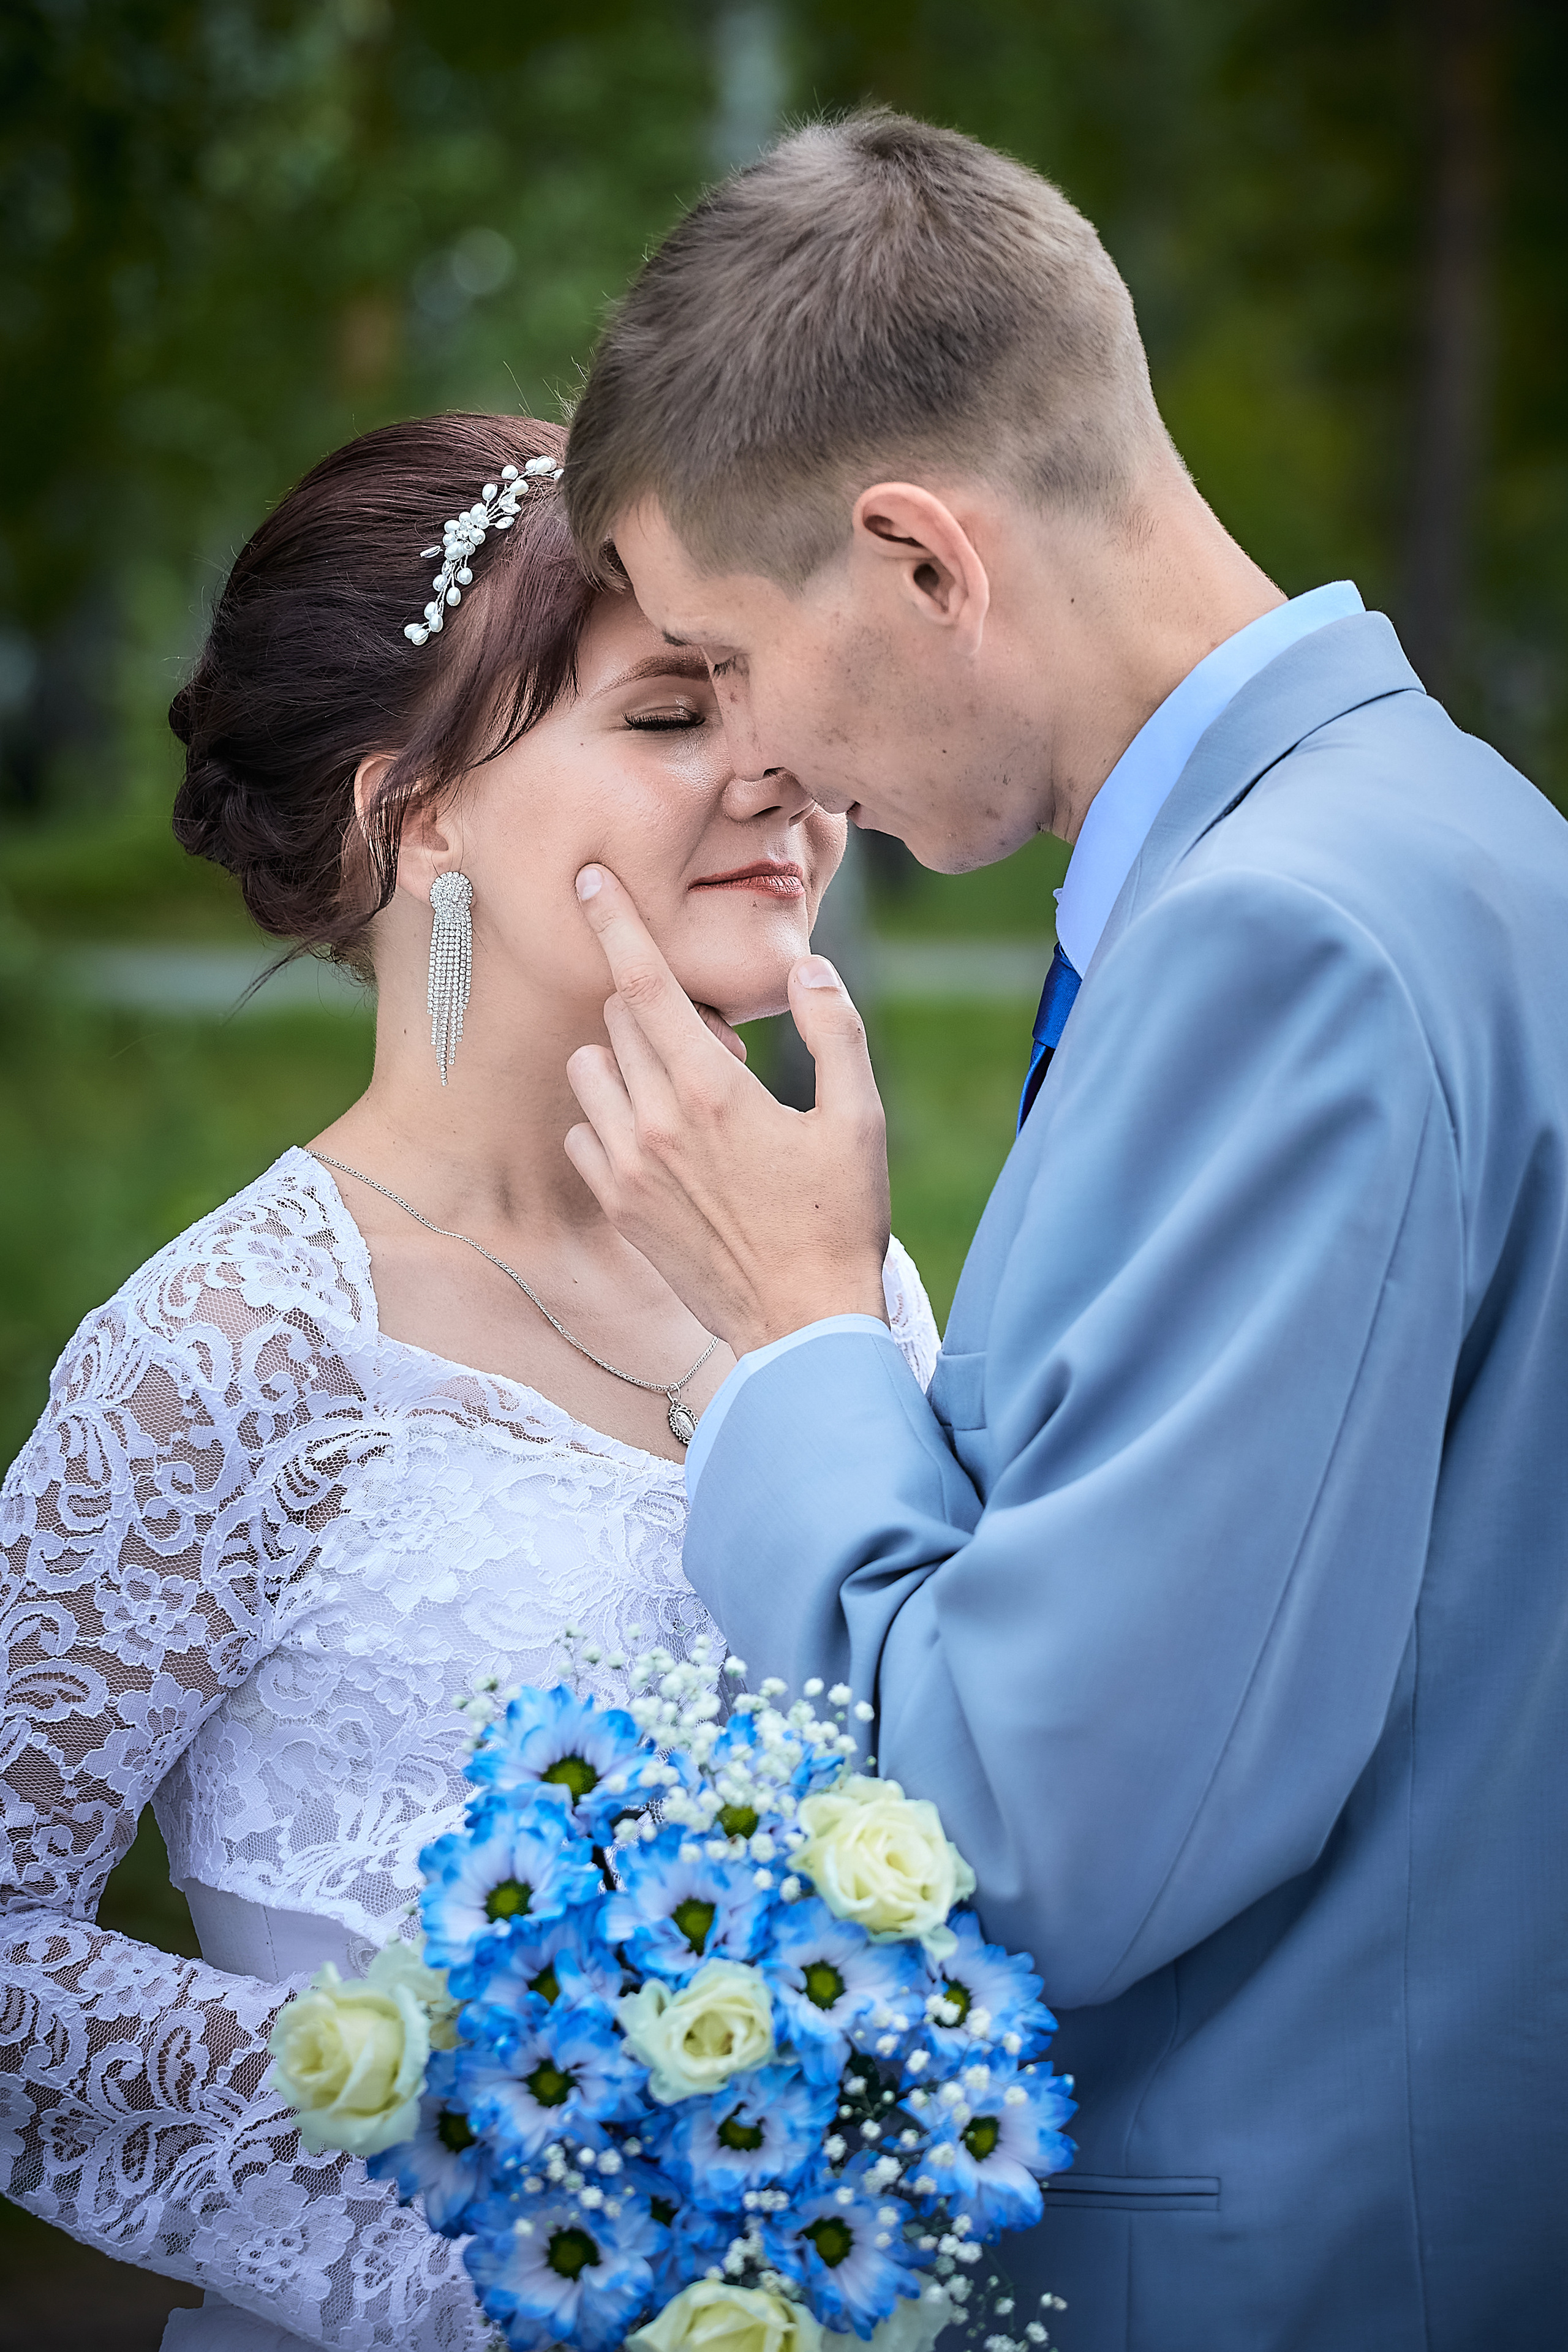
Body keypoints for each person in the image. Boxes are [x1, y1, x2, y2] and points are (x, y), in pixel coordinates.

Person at [554, 112, 1568, 2351]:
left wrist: (800, 1336)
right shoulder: (1461, 831)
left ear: (924, 560)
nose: (771, 766)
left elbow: (1039, 1831)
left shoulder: (1283, 940)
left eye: (728, 657)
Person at [0, 410, 940, 2351]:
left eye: (763, 698)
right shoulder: (233, 1353)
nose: (783, 773)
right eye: (673, 714)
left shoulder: (846, 1271)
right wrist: (461, 2100)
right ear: (417, 811)